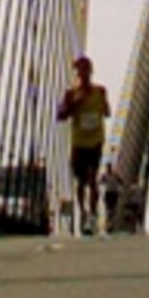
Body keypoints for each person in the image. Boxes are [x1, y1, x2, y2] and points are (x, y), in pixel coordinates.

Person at [54, 54, 112, 236]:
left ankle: (92, 215)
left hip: (95, 141)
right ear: (77, 73)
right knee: (81, 181)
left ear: (91, 71)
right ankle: (83, 211)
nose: (84, 73)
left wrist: (103, 107)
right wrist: (74, 104)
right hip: (79, 142)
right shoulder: (71, 93)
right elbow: (61, 115)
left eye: (86, 69)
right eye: (80, 70)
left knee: (93, 178)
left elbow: (107, 112)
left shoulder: (100, 91)